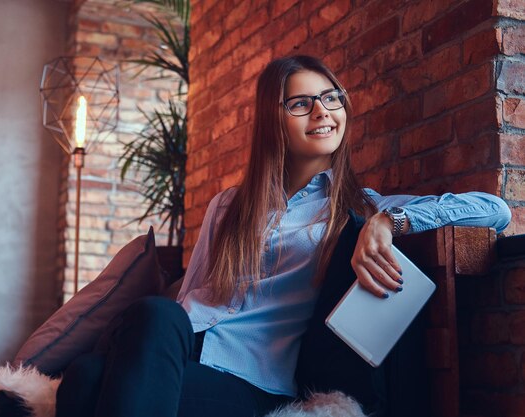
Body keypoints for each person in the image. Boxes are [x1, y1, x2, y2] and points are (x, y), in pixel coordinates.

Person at [55, 55, 511, 417]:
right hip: (177, 351)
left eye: (331, 98)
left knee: (108, 362)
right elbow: (192, 295)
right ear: (274, 119)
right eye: (301, 103)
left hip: (253, 382)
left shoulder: (359, 206)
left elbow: (494, 210)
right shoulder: (227, 206)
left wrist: (391, 223)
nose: (322, 111)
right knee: (90, 370)